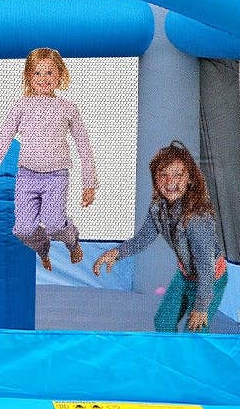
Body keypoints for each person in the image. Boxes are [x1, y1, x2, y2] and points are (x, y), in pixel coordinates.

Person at [0, 47, 97, 271]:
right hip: (27, 176)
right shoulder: (21, 105)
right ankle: (43, 248)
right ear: (29, 76)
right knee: (23, 230)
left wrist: (89, 183)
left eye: (49, 72)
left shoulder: (68, 108)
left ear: (60, 75)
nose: (43, 78)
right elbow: (3, 141)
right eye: (37, 73)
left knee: (55, 224)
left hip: (56, 177)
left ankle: (72, 241)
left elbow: (84, 147)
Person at [92, 141, 227, 333]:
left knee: (195, 331)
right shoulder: (158, 208)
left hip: (211, 278)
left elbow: (206, 267)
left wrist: (201, 306)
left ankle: (193, 350)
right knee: (163, 321)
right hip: (186, 276)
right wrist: (115, 253)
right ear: (155, 179)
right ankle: (170, 352)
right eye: (163, 174)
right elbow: (142, 239)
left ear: (189, 179)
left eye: (178, 174)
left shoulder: (197, 218)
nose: (170, 181)